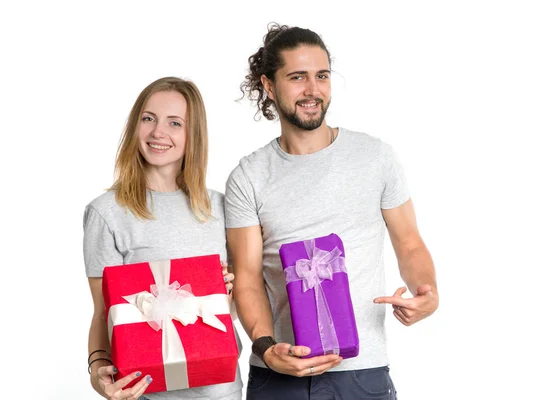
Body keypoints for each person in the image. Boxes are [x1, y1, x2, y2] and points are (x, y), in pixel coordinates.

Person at [225, 24, 439, 400]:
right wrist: (266, 347)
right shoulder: (248, 176)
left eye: (321, 76)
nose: (313, 90)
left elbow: (409, 243)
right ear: (269, 86)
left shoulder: (374, 157)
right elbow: (246, 277)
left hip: (362, 372)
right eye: (297, 77)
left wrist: (427, 291)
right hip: (279, 373)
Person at [83, 77, 243, 400]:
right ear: (134, 126)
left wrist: (229, 290)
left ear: (192, 134)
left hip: (222, 391)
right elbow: (104, 312)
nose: (158, 132)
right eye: (148, 119)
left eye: (175, 123)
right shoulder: (107, 213)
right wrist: (99, 375)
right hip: (148, 393)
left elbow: (236, 309)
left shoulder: (221, 207)